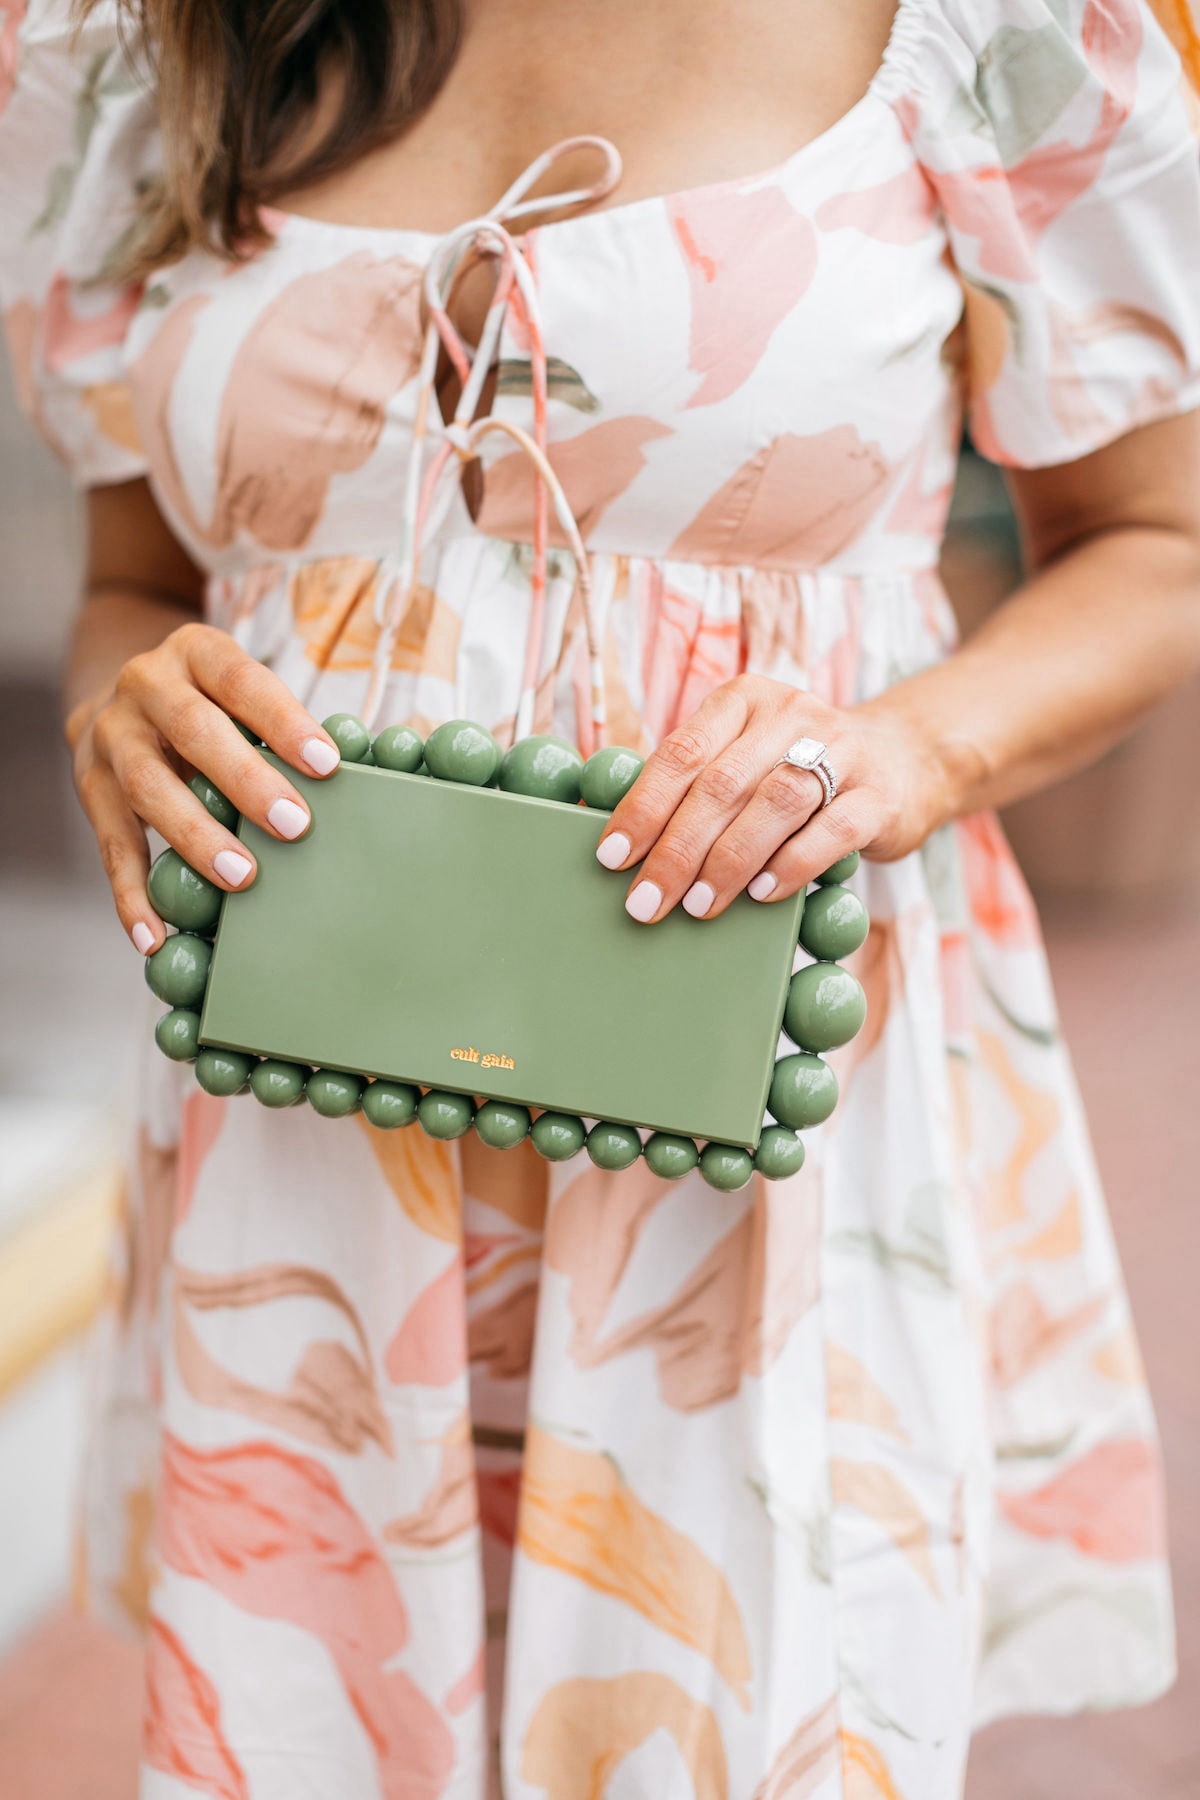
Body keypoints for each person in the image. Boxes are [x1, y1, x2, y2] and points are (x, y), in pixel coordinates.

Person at [4, 0, 1200, 1793]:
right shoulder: (138, 37)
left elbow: (1159, 544)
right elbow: (139, 578)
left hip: (740, 1139)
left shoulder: (984, 27)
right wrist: (127, 697)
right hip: (310, 1152)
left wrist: (917, 751)